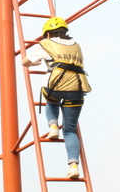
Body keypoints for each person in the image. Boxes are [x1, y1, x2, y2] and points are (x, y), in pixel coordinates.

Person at [21, 16, 91, 179]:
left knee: (51, 100)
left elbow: (25, 62)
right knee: (70, 130)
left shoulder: (45, 44)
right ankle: (73, 166)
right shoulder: (76, 46)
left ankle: (53, 127)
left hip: (56, 84)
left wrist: (37, 63)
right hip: (77, 87)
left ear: (47, 34)